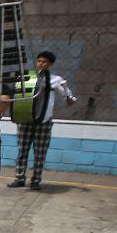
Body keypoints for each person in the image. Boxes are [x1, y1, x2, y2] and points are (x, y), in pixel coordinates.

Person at [9, 50, 76, 191]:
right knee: (22, 151)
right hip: (26, 120)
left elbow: (67, 97)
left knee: (40, 152)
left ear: (50, 64)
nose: (41, 64)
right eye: (39, 61)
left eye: (44, 62)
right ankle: (19, 178)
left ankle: (36, 180)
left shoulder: (56, 80)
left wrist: (69, 98)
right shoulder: (28, 77)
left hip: (44, 121)